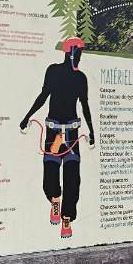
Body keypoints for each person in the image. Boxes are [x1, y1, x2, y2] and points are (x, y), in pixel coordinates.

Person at [20, 36, 95, 239]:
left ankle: (67, 218)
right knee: (50, 173)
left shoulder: (81, 78)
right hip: (54, 133)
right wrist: (28, 116)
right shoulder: (53, 71)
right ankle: (55, 200)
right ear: (70, 51)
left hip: (71, 134)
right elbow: (43, 96)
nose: (80, 56)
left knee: (72, 178)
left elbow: (85, 105)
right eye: (78, 51)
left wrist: (92, 130)